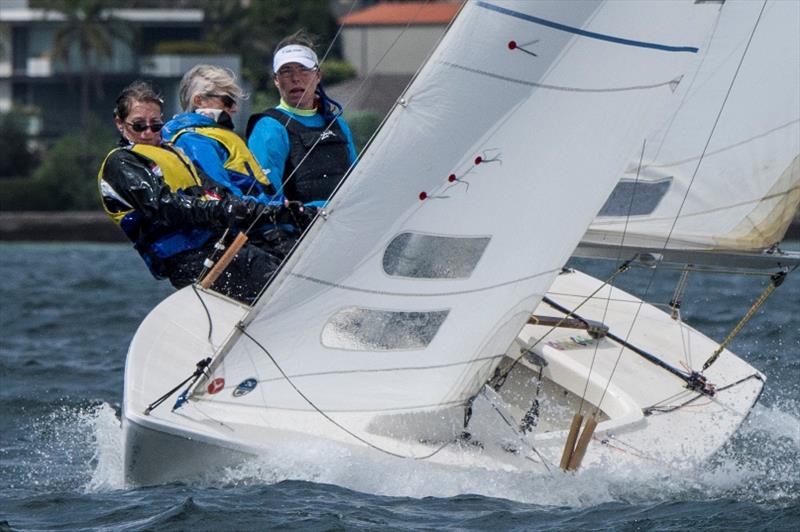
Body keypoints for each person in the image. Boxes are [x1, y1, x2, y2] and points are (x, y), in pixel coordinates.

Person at [98, 80, 304, 304]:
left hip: (222, 245)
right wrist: (228, 210)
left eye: (155, 125)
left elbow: (218, 194)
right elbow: (165, 206)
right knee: (285, 289)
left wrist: (269, 212)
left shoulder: (175, 153)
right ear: (120, 123)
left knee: (292, 268)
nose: (148, 133)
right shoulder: (121, 163)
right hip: (188, 259)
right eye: (138, 126)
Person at [247, 31, 358, 208]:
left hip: (344, 225)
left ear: (318, 75)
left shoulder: (338, 124)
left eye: (303, 70)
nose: (295, 78)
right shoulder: (269, 127)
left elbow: (357, 182)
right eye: (286, 71)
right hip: (299, 232)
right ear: (276, 80)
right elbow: (264, 197)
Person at [162, 65, 276, 204]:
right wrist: (271, 209)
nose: (235, 108)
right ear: (198, 101)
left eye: (234, 101)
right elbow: (221, 195)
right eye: (227, 101)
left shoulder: (215, 135)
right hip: (242, 220)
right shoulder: (193, 140)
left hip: (258, 216)